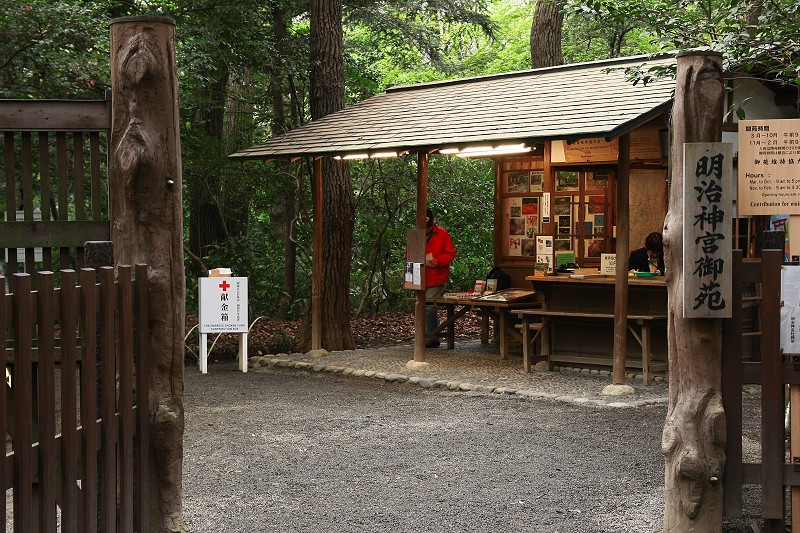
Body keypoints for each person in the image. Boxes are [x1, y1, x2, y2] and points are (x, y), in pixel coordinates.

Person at [424, 208, 455, 347]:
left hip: (437, 275)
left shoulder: (442, 234)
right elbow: (408, 253)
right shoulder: (416, 234)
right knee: (421, 305)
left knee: (429, 305)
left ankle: (431, 336)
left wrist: (438, 260)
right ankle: (426, 334)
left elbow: (450, 253)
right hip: (420, 275)